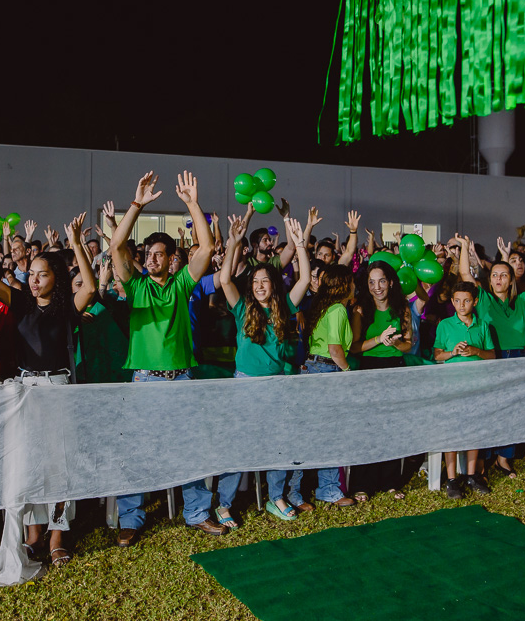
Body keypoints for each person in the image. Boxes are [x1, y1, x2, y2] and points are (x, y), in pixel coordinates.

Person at [0, 205, 97, 574]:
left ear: (56, 277)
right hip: (25, 388)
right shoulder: (21, 301)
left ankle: (57, 536)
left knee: (59, 462)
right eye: (32, 274)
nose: (35, 280)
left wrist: (76, 243)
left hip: (57, 388)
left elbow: (90, 287)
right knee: (28, 461)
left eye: (43, 274)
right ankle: (33, 533)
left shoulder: (66, 308)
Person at [108, 170, 225, 546]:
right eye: (148, 254)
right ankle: (131, 518)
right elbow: (116, 245)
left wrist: (193, 204)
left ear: (173, 259)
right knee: (136, 451)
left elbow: (207, 248)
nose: (152, 258)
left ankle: (197, 513)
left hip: (182, 379)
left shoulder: (181, 285)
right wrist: (137, 204)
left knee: (190, 449)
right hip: (145, 380)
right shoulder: (135, 285)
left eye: (160, 254)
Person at [219, 213, 310, 523]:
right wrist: (233, 243)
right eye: (255, 282)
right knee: (239, 444)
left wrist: (300, 245)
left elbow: (305, 280)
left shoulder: (285, 307)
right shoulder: (242, 308)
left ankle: (276, 497)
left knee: (279, 442)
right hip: (245, 383)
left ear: (273, 284)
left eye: (264, 281)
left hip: (276, 384)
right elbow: (224, 280)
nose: (259, 286)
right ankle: (224, 504)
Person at [458, 231, 525, 478]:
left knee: (513, 408)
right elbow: (466, 275)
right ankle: (484, 459)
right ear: (490, 281)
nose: (499, 278)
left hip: (516, 358)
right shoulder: (483, 300)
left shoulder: (521, 302)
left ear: (511, 281)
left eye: (504, 275)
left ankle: (503, 458)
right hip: (491, 358)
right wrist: (465, 247)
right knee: (488, 408)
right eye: (495, 275)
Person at [346, 260, 413, 502]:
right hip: (369, 370)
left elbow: (408, 345)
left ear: (390, 282)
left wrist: (396, 343)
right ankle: (362, 484)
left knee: (392, 426)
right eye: (372, 282)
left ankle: (391, 482)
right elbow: (354, 347)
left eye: (382, 281)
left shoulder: (402, 309)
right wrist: (378, 339)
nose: (377, 287)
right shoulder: (360, 310)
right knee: (367, 428)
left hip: (395, 369)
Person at [299, 264, 357, 508]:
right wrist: (347, 371)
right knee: (331, 434)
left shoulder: (326, 307)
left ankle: (303, 490)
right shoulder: (338, 310)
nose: (355, 285)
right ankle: (330, 489)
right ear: (344, 286)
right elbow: (335, 350)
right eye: (352, 281)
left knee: (315, 433)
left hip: (315, 369)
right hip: (327, 370)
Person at [432, 281, 496, 498]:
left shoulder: (483, 325)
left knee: (473, 429)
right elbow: (437, 355)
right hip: (452, 386)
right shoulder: (445, 325)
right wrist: (453, 352)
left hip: (476, 386)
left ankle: (471, 475)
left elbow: (492, 355)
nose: (462, 305)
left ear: (475, 302)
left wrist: (476, 351)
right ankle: (451, 479)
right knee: (451, 430)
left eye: (466, 300)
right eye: (457, 301)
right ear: (452, 302)